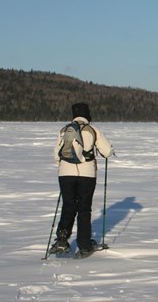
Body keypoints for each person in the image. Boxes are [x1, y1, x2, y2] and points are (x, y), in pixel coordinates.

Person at [50, 103, 114, 258]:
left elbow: (56, 156)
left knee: (68, 206)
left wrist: (65, 166)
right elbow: (107, 151)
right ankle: (84, 244)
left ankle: (62, 239)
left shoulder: (65, 130)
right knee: (84, 209)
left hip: (65, 174)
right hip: (87, 174)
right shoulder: (93, 130)